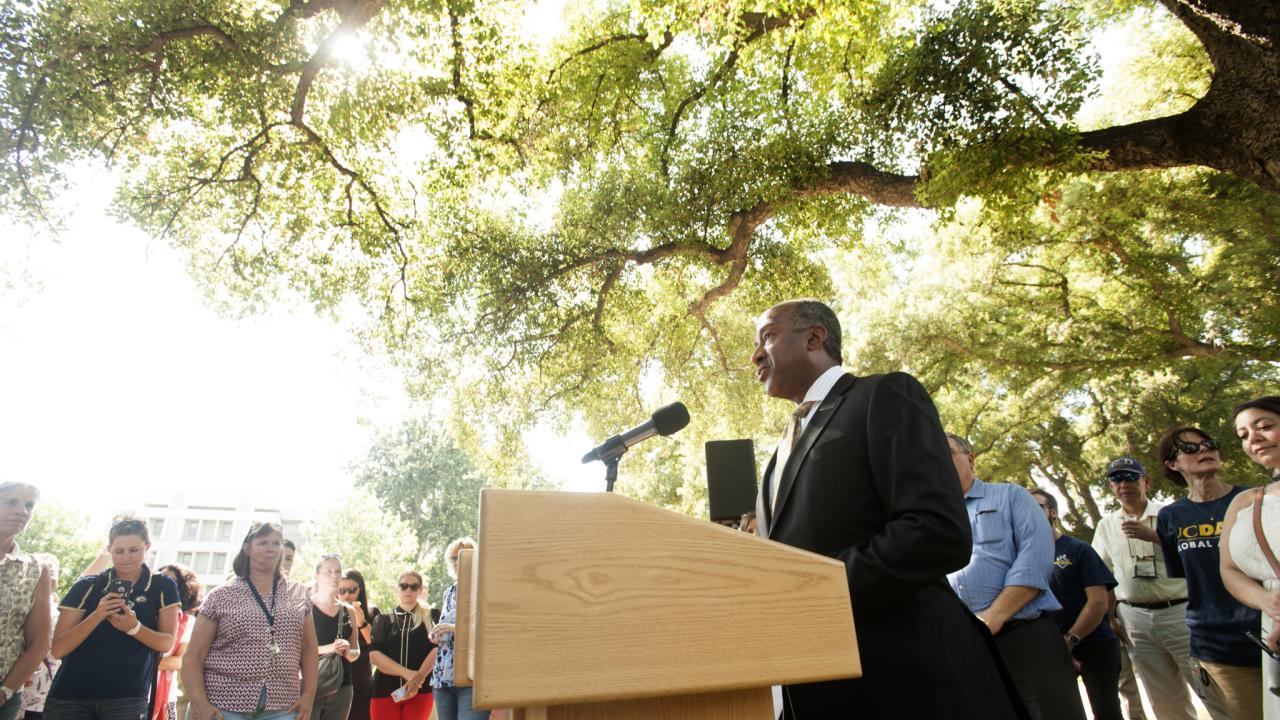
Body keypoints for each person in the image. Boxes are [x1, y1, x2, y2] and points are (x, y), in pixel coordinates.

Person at [748, 299, 1023, 719]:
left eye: (767, 336)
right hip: (822, 690)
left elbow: (936, 531)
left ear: (815, 337)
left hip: (911, 683)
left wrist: (815, 592)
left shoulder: (883, 395)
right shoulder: (777, 454)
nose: (754, 355)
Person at [947, 435, 1086, 720]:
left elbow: (1035, 557)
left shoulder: (1011, 496)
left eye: (946, 452)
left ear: (970, 458)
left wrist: (994, 616)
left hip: (1026, 637)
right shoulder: (931, 518)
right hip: (968, 648)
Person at [1092, 456, 1210, 720]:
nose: (1124, 483)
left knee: (1207, 686)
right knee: (1162, 696)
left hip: (1180, 612)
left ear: (1146, 481)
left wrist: (1156, 538)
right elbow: (1101, 575)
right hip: (1135, 619)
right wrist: (1109, 618)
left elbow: (1198, 559)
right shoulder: (1107, 525)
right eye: (1116, 478)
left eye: (1131, 477)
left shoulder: (1172, 514)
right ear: (1111, 486)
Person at [1156, 425, 1262, 720]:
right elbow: (1189, 577)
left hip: (1268, 627)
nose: (1204, 450)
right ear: (1172, 464)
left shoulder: (1254, 499)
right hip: (1217, 644)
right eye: (1190, 448)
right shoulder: (1170, 517)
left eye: (1209, 444)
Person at [182, 522, 317, 720]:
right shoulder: (220, 595)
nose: (271, 548)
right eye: (263, 543)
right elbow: (193, 656)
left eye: (276, 543)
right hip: (223, 707)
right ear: (247, 548)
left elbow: (309, 648)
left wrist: (309, 695)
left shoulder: (299, 594)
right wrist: (199, 703)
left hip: (282, 707)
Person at [47, 517, 179, 720]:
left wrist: (134, 627)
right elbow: (58, 649)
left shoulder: (162, 586)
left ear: (147, 547)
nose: (126, 557)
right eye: (119, 551)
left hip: (127, 698)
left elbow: (166, 643)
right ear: (109, 550)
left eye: (134, 550)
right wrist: (97, 615)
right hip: (71, 696)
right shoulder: (87, 585)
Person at [1029, 488, 1123, 720]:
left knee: (1107, 713)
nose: (1028, 512)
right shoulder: (1023, 557)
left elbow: (1098, 602)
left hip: (1095, 646)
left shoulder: (1079, 550)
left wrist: (1070, 640)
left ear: (1053, 512)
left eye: (1036, 506)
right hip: (1050, 652)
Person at [1222, 396, 1280, 718]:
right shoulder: (1245, 502)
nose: (1253, 439)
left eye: (1265, 427)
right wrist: (1265, 600)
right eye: (1243, 435)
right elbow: (1229, 569)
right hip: (1273, 619)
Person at [0, 482, 51, 720]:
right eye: (12, 502)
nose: (23, 511)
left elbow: (39, 641)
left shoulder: (35, 569)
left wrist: (4, 692)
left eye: (29, 505)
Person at [428, 539, 484, 720]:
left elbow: (489, 630)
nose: (458, 562)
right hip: (442, 678)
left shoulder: (485, 588)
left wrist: (454, 628)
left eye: (464, 556)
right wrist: (436, 634)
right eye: (454, 558)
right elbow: (448, 628)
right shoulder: (449, 592)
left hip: (472, 678)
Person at [369, 571, 436, 720]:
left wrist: (417, 678)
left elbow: (437, 650)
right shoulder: (383, 619)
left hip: (421, 691)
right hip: (384, 691)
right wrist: (407, 674)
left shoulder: (432, 616)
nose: (408, 590)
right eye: (404, 586)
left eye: (414, 586)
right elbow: (375, 656)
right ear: (397, 589)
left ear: (420, 590)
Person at [311, 555, 359, 720]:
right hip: (310, 686)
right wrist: (330, 648)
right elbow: (295, 650)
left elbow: (356, 652)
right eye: (328, 571)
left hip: (343, 686)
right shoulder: (304, 607)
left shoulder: (348, 610)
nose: (334, 576)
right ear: (317, 575)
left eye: (338, 571)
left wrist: (346, 651)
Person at [153, 564, 200, 720]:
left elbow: (179, 661)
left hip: (165, 695)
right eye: (158, 578)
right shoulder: (138, 613)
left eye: (170, 580)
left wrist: (140, 661)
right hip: (129, 693)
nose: (162, 583)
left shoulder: (187, 622)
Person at [21, 554, 59, 720]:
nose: (49, 578)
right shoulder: (22, 606)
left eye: (53, 573)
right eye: (45, 573)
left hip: (49, 691)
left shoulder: (60, 609)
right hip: (21, 687)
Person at [340, 570, 378, 720]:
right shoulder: (331, 614)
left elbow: (377, 646)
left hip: (361, 683)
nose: (347, 595)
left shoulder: (372, 612)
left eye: (352, 590)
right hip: (336, 682)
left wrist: (361, 622)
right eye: (341, 590)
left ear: (360, 589)